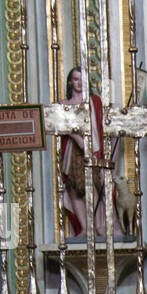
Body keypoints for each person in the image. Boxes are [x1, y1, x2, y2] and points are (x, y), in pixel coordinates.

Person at [60, 67, 104, 238]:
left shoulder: (93, 102)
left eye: (81, 79)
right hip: (73, 151)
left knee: (92, 185)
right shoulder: (64, 104)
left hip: (90, 150)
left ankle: (97, 225)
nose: (79, 83)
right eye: (75, 79)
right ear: (70, 82)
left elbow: (102, 122)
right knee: (73, 188)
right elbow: (61, 125)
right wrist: (78, 139)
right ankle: (85, 227)